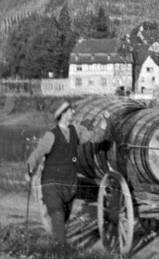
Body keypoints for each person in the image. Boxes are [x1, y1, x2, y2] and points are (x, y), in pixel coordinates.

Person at [26, 101, 109, 245]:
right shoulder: (50, 136)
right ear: (63, 114)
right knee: (57, 215)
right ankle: (62, 251)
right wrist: (29, 169)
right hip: (51, 183)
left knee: (63, 219)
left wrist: (103, 122)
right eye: (70, 111)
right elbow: (38, 153)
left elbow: (96, 138)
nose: (73, 113)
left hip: (69, 183)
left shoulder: (76, 131)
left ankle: (57, 245)